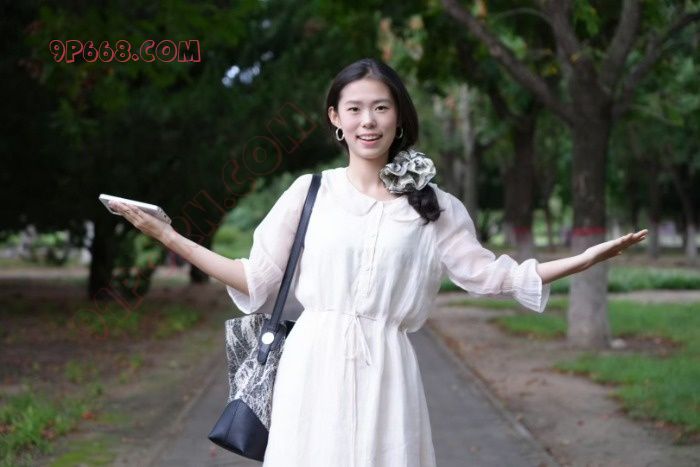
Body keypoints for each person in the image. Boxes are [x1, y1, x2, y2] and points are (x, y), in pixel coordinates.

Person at [109, 58, 647, 467]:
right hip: (311, 366)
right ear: (336, 119)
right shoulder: (308, 193)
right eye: (355, 109)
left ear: (399, 117)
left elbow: (492, 276)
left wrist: (580, 260)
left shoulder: (434, 207)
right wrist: (168, 235)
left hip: (388, 369)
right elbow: (254, 278)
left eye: (381, 108)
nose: (368, 121)